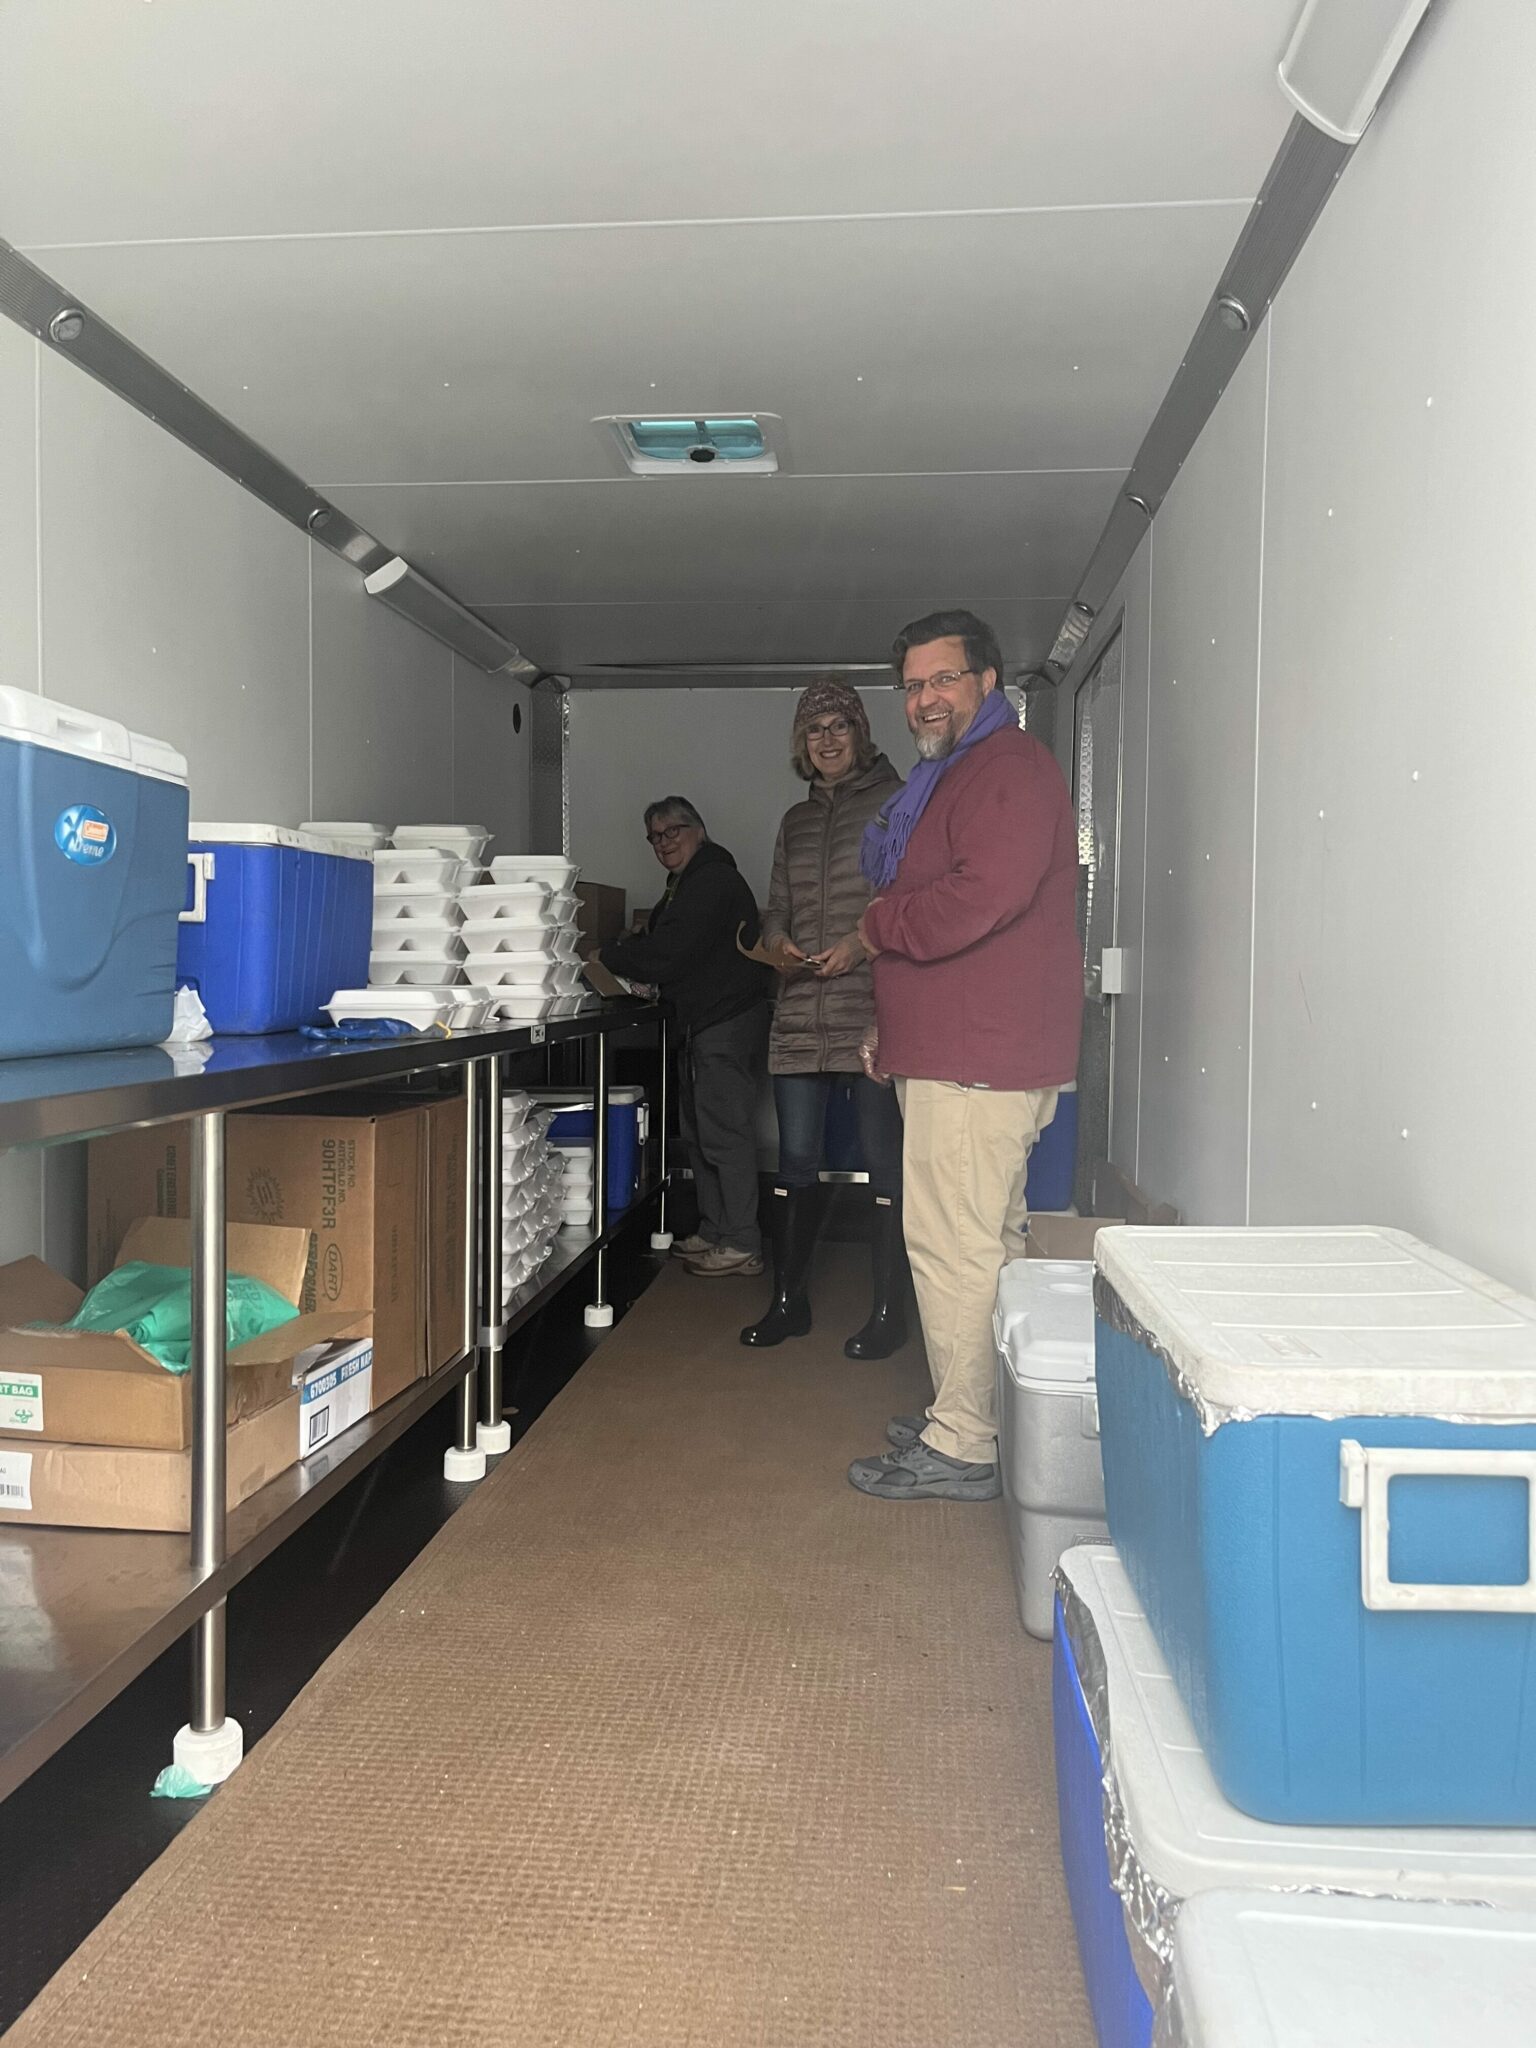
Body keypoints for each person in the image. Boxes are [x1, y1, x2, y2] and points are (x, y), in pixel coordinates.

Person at [845, 610, 1082, 1503]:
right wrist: (893, 1030)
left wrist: (876, 927)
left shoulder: (1007, 768)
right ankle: (982, 1410)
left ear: (988, 683)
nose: (926, 698)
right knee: (990, 1242)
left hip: (977, 1062)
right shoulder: (958, 774)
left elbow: (977, 899)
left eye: (944, 678)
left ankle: (963, 1440)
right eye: (912, 685)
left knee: (951, 1246)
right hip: (962, 1050)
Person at [740, 677, 907, 1356]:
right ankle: (789, 1302)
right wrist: (776, 942)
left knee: (883, 1162)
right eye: (816, 729)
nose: (829, 738)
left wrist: (858, 946)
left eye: (840, 725)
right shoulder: (795, 821)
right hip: (801, 1009)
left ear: (862, 733)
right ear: (801, 744)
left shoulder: (897, 805)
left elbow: (906, 900)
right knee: (795, 1162)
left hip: (871, 1007)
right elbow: (776, 904)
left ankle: (891, 1311)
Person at [598, 799, 772, 1277]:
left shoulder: (711, 880)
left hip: (723, 1023)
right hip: (701, 1024)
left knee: (726, 1134)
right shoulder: (685, 884)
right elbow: (659, 939)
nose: (664, 842)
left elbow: (664, 954)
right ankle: (717, 1229)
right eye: (655, 836)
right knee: (701, 1134)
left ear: (701, 830)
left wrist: (609, 953)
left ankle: (741, 1241)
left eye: (674, 830)